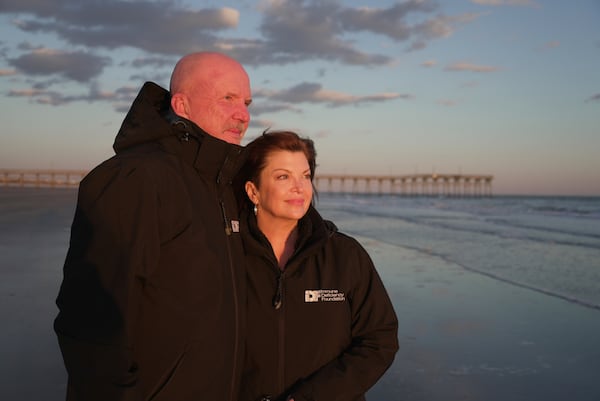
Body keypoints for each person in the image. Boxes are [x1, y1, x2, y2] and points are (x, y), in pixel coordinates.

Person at [54, 52, 252, 401]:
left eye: (247, 102)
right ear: (182, 105)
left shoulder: (220, 186)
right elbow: (91, 322)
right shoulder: (137, 178)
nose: (243, 115)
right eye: (228, 98)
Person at [237, 131, 399, 401]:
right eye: (283, 176)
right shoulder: (228, 257)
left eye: (305, 176)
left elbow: (379, 340)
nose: (299, 187)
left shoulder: (345, 256)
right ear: (253, 191)